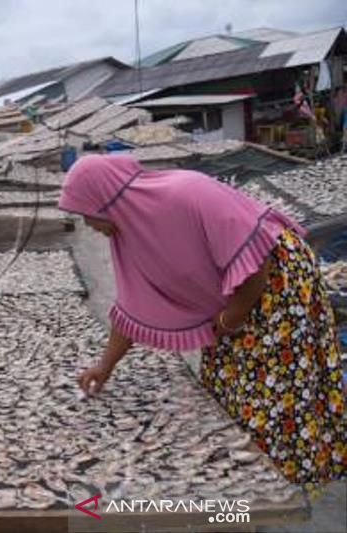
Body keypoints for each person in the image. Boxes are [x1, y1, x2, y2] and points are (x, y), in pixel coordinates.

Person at [58, 154, 345, 487]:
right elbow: (131, 308)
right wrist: (104, 367)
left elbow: (257, 254)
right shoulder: (129, 234)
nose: (88, 226)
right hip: (232, 298)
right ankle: (251, 469)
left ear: (104, 200)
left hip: (276, 283)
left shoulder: (187, 191)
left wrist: (231, 317)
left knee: (277, 386)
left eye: (85, 215)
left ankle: (291, 478)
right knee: (226, 378)